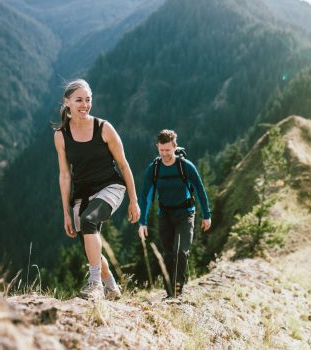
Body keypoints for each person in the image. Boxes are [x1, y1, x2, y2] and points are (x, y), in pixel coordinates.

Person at [53, 79, 140, 301]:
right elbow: (65, 175)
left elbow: (123, 165)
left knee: (89, 221)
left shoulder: (104, 128)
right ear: (67, 103)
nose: (85, 104)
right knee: (90, 246)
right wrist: (65, 212)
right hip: (81, 193)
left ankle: (95, 285)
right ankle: (111, 286)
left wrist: (134, 200)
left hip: (110, 186)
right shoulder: (61, 135)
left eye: (88, 99)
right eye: (79, 100)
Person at [138, 129, 212, 299]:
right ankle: (169, 293)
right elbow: (146, 197)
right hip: (165, 215)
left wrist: (206, 215)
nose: (164, 154)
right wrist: (142, 222)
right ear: (157, 147)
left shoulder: (186, 166)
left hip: (186, 214)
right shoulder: (154, 169)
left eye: (168, 150)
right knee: (168, 254)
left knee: (181, 251)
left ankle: (177, 292)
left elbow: (200, 191)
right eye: (161, 150)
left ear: (175, 147)